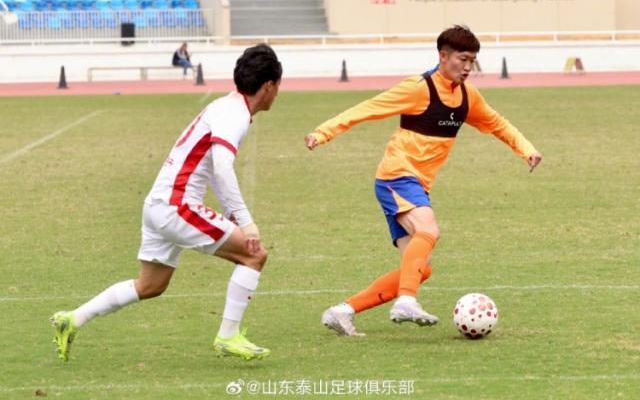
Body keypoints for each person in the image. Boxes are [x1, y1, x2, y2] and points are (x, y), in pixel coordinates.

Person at [305, 25, 542, 336]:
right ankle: (406, 301)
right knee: (429, 230)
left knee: (419, 268)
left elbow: (497, 123)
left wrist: (526, 149)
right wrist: (323, 132)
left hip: (415, 185)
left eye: (472, 61)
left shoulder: (468, 97)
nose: (468, 68)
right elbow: (369, 109)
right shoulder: (419, 88)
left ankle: (342, 311)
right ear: (443, 56)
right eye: (462, 60)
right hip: (397, 176)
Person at [51, 44, 282, 361]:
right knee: (255, 256)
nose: (278, 93)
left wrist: (231, 212)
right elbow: (222, 167)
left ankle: (72, 319)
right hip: (177, 206)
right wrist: (246, 221)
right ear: (268, 86)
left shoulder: (226, 106)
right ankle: (228, 335)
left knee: (150, 285)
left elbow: (214, 167)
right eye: (278, 86)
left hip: (157, 205)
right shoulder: (235, 114)